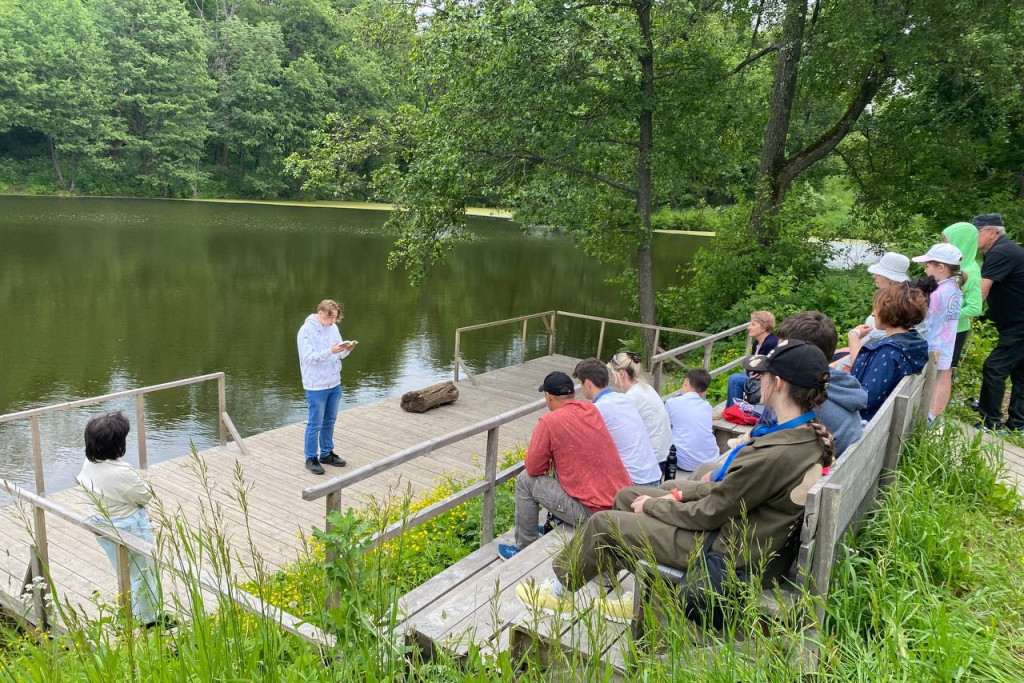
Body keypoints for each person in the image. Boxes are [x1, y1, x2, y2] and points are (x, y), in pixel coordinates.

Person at [515, 340, 835, 619]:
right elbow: (730, 492)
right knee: (626, 496)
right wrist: (677, 494)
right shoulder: (801, 437)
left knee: (604, 524)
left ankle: (557, 593)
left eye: (762, 374)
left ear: (777, 383)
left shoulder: (773, 452)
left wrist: (656, 507)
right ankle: (617, 580)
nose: (757, 378)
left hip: (723, 554)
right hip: (740, 538)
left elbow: (711, 512)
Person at [497, 371, 632, 560]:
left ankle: (524, 547)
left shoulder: (549, 421)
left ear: (549, 397)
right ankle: (548, 524)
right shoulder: (591, 410)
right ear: (573, 394)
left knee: (525, 480)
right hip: (620, 504)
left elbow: (534, 468)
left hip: (593, 514)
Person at [76, 412, 163, 627]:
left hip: (102, 523)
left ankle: (132, 612)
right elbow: (144, 495)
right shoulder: (121, 472)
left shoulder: (88, 463)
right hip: (128, 526)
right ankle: (149, 622)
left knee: (125, 572)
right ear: (117, 445)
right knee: (145, 574)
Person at [777, 311, 867, 455]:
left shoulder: (803, 399)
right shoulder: (841, 384)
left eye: (781, 350)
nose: (775, 354)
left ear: (801, 356)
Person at [846, 284, 930, 421]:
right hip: (889, 415)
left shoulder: (888, 352)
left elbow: (865, 399)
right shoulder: (915, 342)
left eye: (876, 308)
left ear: (889, 312)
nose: (873, 314)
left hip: (867, 421)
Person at [574, 358, 662, 487]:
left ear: (587, 383)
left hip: (635, 483)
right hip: (654, 476)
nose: (581, 388)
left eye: (580, 384)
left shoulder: (597, 409)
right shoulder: (625, 399)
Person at [973, 213, 1024, 430]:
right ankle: (1018, 422)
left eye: (976, 233)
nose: (972, 238)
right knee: (1020, 372)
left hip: (1020, 324)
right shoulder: (1002, 249)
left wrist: (965, 314)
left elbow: (982, 290)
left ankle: (990, 421)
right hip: (1015, 322)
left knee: (994, 367)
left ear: (992, 232)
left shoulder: (1001, 251)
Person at [297, 299, 355, 475]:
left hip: (334, 381)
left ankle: (326, 453)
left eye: (336, 319)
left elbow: (337, 354)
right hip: (316, 385)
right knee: (315, 423)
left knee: (330, 420)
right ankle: (310, 458)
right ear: (321, 313)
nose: (333, 322)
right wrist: (331, 351)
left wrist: (346, 350)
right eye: (331, 318)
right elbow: (309, 358)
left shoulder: (333, 328)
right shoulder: (306, 331)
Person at [832, 252, 912, 369]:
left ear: (889, 278)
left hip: (861, 364)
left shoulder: (893, 306)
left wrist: (854, 335)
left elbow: (860, 360)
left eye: (878, 273)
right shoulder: (898, 299)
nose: (874, 276)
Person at [912, 243, 964, 422]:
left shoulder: (937, 293)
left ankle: (925, 422)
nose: (925, 271)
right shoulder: (955, 289)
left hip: (931, 346)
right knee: (936, 386)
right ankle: (932, 420)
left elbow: (924, 321)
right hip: (946, 347)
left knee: (924, 389)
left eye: (927, 266)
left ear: (941, 267)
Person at [607, 351, 673, 472]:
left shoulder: (632, 397)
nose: (611, 378)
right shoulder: (645, 387)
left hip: (654, 460)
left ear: (621, 373)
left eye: (612, 373)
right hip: (665, 454)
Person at [941, 222, 982, 373]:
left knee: (945, 371)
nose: (942, 246)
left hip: (956, 331)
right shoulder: (954, 267)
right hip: (944, 328)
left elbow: (974, 307)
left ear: (960, 244)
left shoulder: (970, 270)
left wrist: (947, 315)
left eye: (946, 242)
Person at [663, 369, 719, 473]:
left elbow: (664, 428)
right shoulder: (707, 406)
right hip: (711, 459)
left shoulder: (672, 403)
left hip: (685, 463)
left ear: (686, 382)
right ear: (704, 391)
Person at [725, 311, 778, 407]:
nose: (749, 327)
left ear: (764, 327)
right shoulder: (757, 343)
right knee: (735, 378)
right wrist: (753, 371)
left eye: (753, 324)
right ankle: (731, 411)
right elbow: (752, 366)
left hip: (769, 382)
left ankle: (733, 411)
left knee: (735, 379)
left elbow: (761, 368)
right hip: (758, 379)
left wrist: (758, 372)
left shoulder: (771, 343)